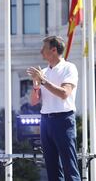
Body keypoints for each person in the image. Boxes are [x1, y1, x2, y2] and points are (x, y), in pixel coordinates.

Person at [26, 36, 81, 181]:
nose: (41, 51)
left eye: (44, 48)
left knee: (69, 166)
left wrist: (43, 81)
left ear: (54, 50)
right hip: (46, 121)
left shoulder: (69, 68)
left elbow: (64, 93)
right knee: (52, 168)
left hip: (63, 120)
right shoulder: (44, 71)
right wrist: (36, 86)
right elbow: (33, 101)